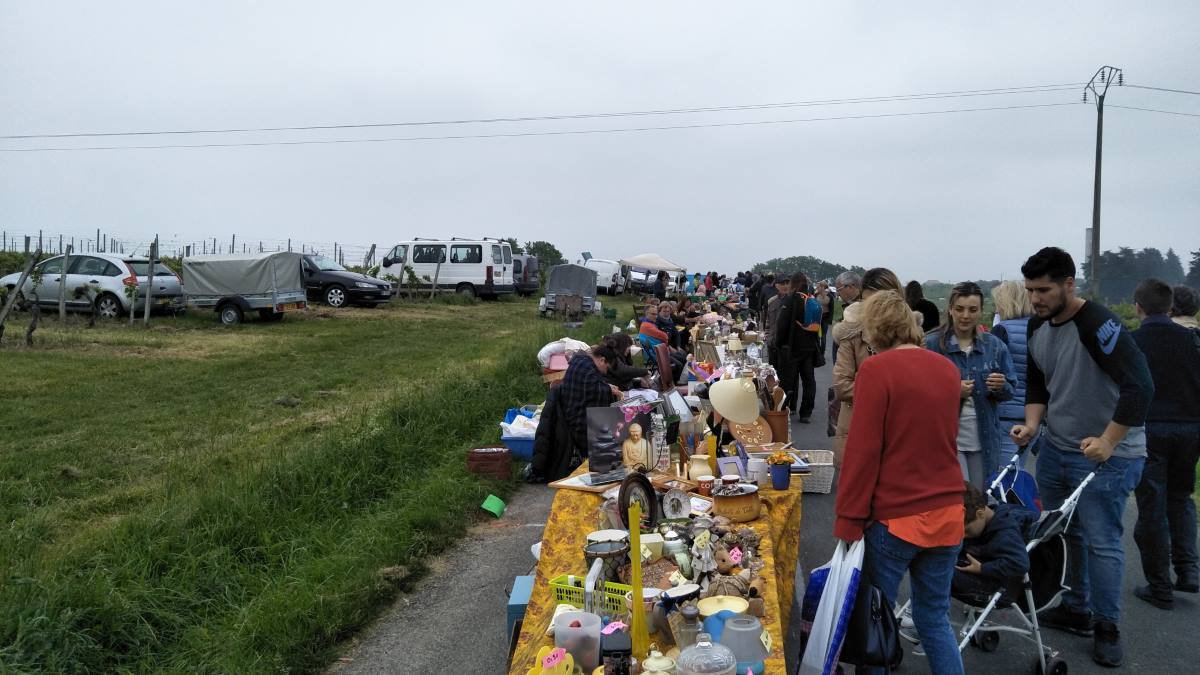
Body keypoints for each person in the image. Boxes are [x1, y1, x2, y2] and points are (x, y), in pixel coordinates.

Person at [1010, 247, 1153, 667]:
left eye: (1044, 289)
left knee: (1102, 540)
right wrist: (1033, 425)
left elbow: (1140, 387)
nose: (1035, 298)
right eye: (1030, 289)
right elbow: (1038, 384)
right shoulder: (1038, 326)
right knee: (1060, 532)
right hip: (1056, 448)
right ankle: (1076, 608)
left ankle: (1107, 626)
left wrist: (1108, 440)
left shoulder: (1099, 324)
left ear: (1069, 284)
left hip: (1109, 455)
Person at [835, 289, 966, 675]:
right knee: (934, 619)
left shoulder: (876, 371)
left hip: (896, 517)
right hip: (947, 511)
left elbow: (862, 454)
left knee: (876, 619)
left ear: (873, 329)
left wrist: (848, 521)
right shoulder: (947, 369)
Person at [1130, 279, 1200, 609]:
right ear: (1170, 307)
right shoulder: (1192, 340)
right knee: (1181, 496)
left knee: (1152, 505)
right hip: (1189, 427)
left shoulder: (1134, 342)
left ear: (1137, 307)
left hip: (1151, 428)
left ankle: (1159, 585)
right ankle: (1188, 569)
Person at [924, 282, 1018, 489]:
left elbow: (1010, 389)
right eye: (959, 309)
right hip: (944, 439)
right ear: (950, 309)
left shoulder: (995, 346)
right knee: (958, 500)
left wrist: (1001, 386)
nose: (965, 315)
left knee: (979, 500)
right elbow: (917, 394)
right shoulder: (931, 345)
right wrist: (951, 392)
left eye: (972, 310)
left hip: (984, 439)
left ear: (981, 312)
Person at [830, 268, 902, 467]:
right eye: (870, 302)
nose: (877, 308)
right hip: (858, 426)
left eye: (883, 300)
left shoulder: (911, 335)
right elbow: (842, 386)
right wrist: (888, 392)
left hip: (899, 432)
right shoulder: (851, 334)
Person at [529, 344, 623, 481]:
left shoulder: (581, 362)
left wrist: (607, 387)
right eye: (606, 368)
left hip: (572, 413)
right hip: (578, 423)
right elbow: (593, 388)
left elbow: (591, 384)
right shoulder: (584, 366)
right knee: (613, 428)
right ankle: (607, 471)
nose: (605, 373)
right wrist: (608, 390)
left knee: (613, 426)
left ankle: (610, 466)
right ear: (602, 360)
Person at [952, 481, 1038, 605]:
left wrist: (982, 568)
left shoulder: (1005, 533)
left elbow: (1020, 563)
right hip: (977, 573)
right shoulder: (982, 522)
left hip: (993, 588)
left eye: (967, 531)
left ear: (980, 514)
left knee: (935, 571)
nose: (963, 535)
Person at [990, 280, 1039, 467]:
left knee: (1005, 479)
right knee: (1018, 472)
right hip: (1033, 416)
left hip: (1006, 414)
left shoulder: (1002, 331)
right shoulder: (1041, 328)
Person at [772, 272, 822, 423]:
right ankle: (806, 412)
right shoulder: (811, 299)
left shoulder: (790, 299)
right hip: (809, 347)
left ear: (793, 283)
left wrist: (778, 343)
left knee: (788, 380)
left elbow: (782, 324)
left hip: (792, 346)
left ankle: (785, 408)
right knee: (809, 380)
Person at [762, 276, 791, 367]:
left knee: (787, 375)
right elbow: (768, 321)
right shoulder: (771, 301)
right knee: (773, 371)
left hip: (787, 345)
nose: (785, 286)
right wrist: (767, 337)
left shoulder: (793, 301)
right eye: (782, 284)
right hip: (772, 343)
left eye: (787, 283)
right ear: (776, 285)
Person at [815, 279, 834, 355]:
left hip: (825, 318)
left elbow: (831, 309)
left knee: (823, 336)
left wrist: (830, 320)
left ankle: (821, 352)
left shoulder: (830, 296)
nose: (817, 288)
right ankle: (817, 351)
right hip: (816, 318)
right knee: (816, 336)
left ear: (823, 287)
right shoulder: (816, 295)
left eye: (819, 286)